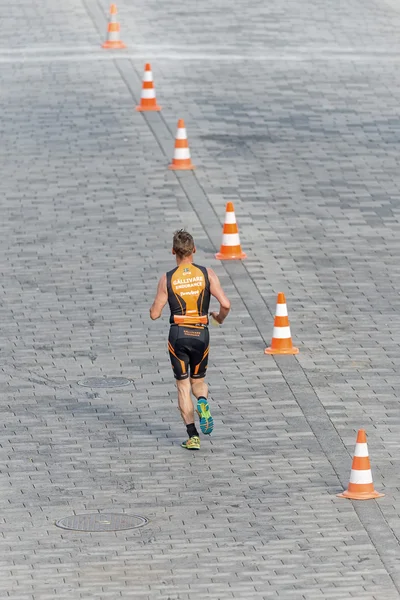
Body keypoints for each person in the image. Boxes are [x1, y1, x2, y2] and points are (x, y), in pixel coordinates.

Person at [150, 230, 231, 450]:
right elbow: (226, 304)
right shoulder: (207, 274)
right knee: (198, 382)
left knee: (182, 386)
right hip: (201, 333)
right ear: (194, 250)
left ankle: (192, 436)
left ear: (173, 251)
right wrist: (218, 319)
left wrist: (159, 303)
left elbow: (155, 314)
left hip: (178, 335)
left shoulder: (167, 278)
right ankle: (203, 403)